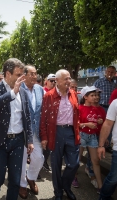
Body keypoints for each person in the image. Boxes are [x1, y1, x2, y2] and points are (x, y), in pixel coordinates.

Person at [0, 58, 34, 200]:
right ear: (7, 73)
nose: (22, 78)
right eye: (18, 75)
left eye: (22, 75)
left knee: (15, 178)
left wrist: (29, 140)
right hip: (0, 141)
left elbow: (27, 118)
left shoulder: (24, 92)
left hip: (18, 141)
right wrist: (12, 93)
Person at [40, 69, 80, 200]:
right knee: (56, 164)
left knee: (74, 164)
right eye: (66, 79)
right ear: (57, 81)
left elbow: (77, 114)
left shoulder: (73, 94)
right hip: (55, 132)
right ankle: (58, 191)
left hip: (70, 132)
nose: (69, 81)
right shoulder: (48, 96)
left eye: (69, 78)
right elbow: (43, 118)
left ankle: (66, 186)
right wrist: (44, 137)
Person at [19, 65, 44, 199]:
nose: (35, 76)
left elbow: (42, 111)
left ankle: (31, 177)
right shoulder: (18, 88)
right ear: (24, 75)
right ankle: (22, 184)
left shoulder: (40, 90)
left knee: (39, 158)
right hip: (21, 131)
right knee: (22, 159)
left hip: (36, 131)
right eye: (32, 74)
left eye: (36, 73)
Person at [75, 86, 103, 193]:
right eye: (92, 95)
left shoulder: (97, 109)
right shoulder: (79, 108)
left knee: (95, 161)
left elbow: (97, 122)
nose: (95, 97)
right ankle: (74, 177)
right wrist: (87, 124)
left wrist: (99, 122)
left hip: (93, 137)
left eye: (95, 95)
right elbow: (75, 124)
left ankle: (100, 186)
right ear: (85, 97)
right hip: (82, 135)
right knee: (78, 159)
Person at [94, 65, 117, 152]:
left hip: (111, 108)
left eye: (112, 72)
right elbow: (93, 93)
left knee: (110, 127)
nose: (110, 73)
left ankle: (107, 146)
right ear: (105, 72)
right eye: (108, 71)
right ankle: (98, 144)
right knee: (99, 126)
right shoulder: (99, 81)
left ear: (114, 73)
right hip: (101, 107)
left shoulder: (115, 84)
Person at [98, 99, 117, 200]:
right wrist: (101, 145)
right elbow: (108, 124)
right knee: (114, 178)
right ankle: (104, 197)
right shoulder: (115, 103)